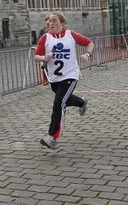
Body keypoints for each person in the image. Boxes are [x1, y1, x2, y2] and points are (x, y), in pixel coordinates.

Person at [34, 11, 94, 150]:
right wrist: (44, 58)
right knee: (64, 99)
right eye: (50, 21)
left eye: (55, 20)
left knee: (59, 103)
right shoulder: (45, 38)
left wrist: (87, 54)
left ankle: (52, 137)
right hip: (54, 78)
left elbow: (89, 43)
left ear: (61, 22)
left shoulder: (70, 35)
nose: (52, 23)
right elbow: (36, 56)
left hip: (70, 75)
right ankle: (81, 102)